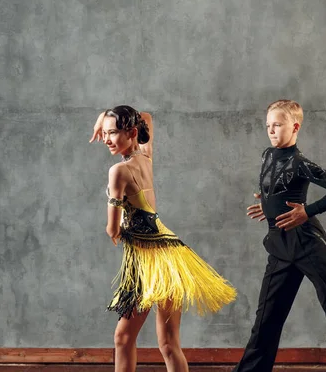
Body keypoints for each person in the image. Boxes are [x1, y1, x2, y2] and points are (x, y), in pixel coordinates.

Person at [90, 106, 236, 372]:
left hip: (148, 261)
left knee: (123, 338)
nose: (107, 139)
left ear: (132, 133)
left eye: (113, 133)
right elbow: (146, 116)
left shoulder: (118, 171)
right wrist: (106, 118)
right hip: (173, 257)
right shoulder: (146, 156)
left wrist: (118, 232)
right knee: (169, 344)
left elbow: (111, 229)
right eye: (106, 133)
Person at [234, 99, 326, 372]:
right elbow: (277, 188)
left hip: (307, 242)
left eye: (278, 125)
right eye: (268, 125)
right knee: (265, 320)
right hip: (279, 244)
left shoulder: (301, 163)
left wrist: (308, 211)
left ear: (294, 127)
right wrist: (268, 206)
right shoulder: (267, 155)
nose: (271, 130)